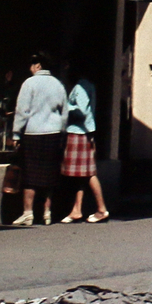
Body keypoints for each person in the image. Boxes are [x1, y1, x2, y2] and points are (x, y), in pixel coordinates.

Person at [10, 52, 67, 228]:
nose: (30, 68)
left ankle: (28, 213)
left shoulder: (29, 83)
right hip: (53, 133)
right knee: (49, 174)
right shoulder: (58, 85)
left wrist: (16, 134)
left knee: (30, 175)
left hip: (33, 133)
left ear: (38, 66)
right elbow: (64, 113)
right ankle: (47, 212)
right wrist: (62, 133)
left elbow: (22, 111)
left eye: (32, 64)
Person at [59, 64, 109, 224]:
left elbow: (81, 111)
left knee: (88, 173)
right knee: (83, 175)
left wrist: (66, 107)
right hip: (85, 132)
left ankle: (101, 209)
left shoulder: (80, 87)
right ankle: (77, 209)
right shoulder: (88, 85)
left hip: (79, 132)